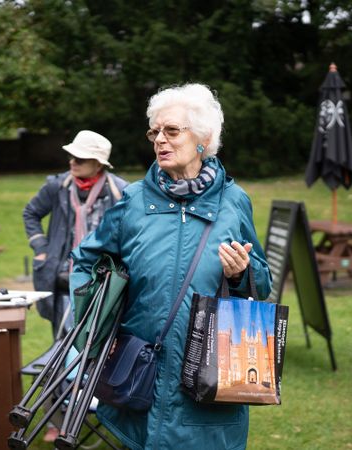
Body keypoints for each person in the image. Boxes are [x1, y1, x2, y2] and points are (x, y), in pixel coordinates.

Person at [70, 83, 272, 449]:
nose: (160, 139)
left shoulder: (233, 201)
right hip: (140, 376)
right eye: (155, 131)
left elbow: (263, 282)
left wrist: (242, 273)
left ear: (202, 138)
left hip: (209, 379)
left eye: (172, 130)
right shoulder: (134, 200)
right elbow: (87, 260)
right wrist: (97, 328)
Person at [23, 130, 128, 338]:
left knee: (100, 342)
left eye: (80, 159)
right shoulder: (56, 186)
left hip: (102, 280)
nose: (73, 162)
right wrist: (41, 249)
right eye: (72, 156)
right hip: (61, 277)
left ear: (98, 164)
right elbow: (31, 213)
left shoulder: (121, 191)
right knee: (62, 343)